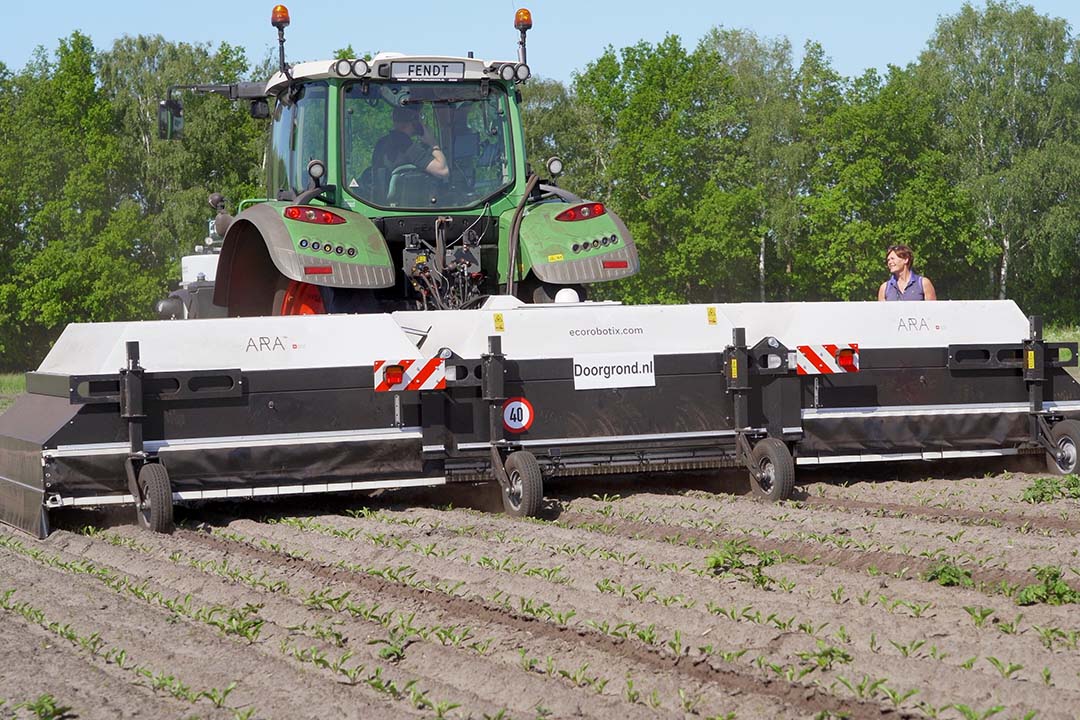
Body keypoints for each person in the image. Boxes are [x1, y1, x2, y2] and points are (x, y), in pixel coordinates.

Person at [371, 105, 448, 179]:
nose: (422, 123)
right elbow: (442, 171)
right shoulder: (405, 144)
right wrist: (433, 143)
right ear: (415, 122)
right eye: (420, 119)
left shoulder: (382, 143)